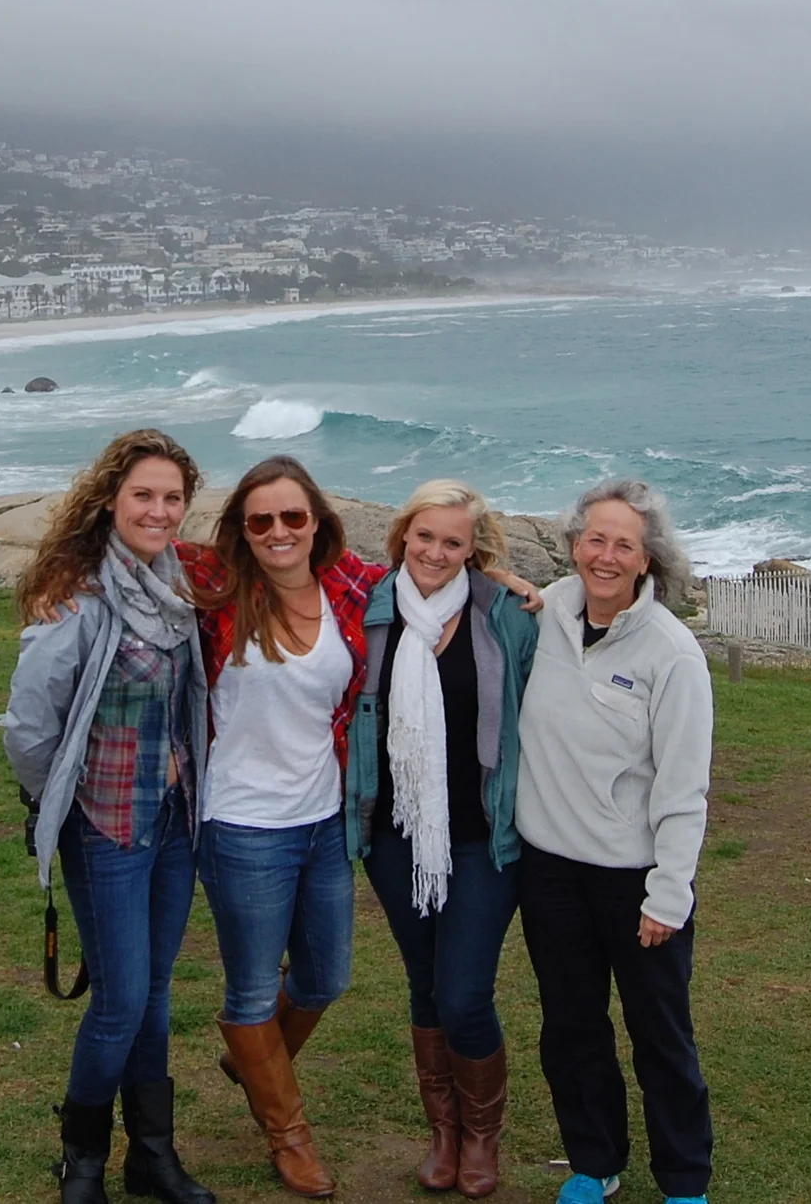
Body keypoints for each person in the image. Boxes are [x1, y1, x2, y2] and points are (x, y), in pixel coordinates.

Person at [0, 430, 219, 1204]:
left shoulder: (179, 583)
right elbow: (30, 723)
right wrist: (51, 798)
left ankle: (151, 1157)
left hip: (170, 823)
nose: (159, 511)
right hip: (104, 827)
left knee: (153, 996)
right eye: (143, 496)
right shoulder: (84, 596)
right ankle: (82, 1161)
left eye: (171, 498)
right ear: (110, 502)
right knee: (122, 999)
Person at [514, 479, 714, 1204]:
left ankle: (685, 1180)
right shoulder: (549, 612)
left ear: (646, 560)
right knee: (571, 1026)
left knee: (659, 1033)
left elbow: (684, 787)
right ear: (573, 545)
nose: (605, 555)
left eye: (622, 544)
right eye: (594, 539)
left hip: (636, 878)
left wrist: (669, 894)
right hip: (550, 870)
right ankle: (595, 1163)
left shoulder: (672, 653)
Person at [180, 455, 373, 1199]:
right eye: (260, 520)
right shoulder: (215, 589)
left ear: (317, 521)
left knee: (325, 978)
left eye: (293, 516)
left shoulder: (350, 585)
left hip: (323, 819)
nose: (279, 531)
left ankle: (254, 1060)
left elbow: (436, 570)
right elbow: (131, 550)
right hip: (241, 824)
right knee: (253, 994)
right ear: (242, 530)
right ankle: (288, 1135)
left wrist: (512, 584)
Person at [345, 480, 539, 1197]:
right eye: (423, 537)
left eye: (453, 542)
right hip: (396, 837)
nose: (434, 552)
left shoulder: (507, 615)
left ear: (473, 551)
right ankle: (444, 1135)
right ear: (402, 537)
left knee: (463, 993)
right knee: (425, 988)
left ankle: (483, 1136)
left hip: (483, 839)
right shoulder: (368, 609)